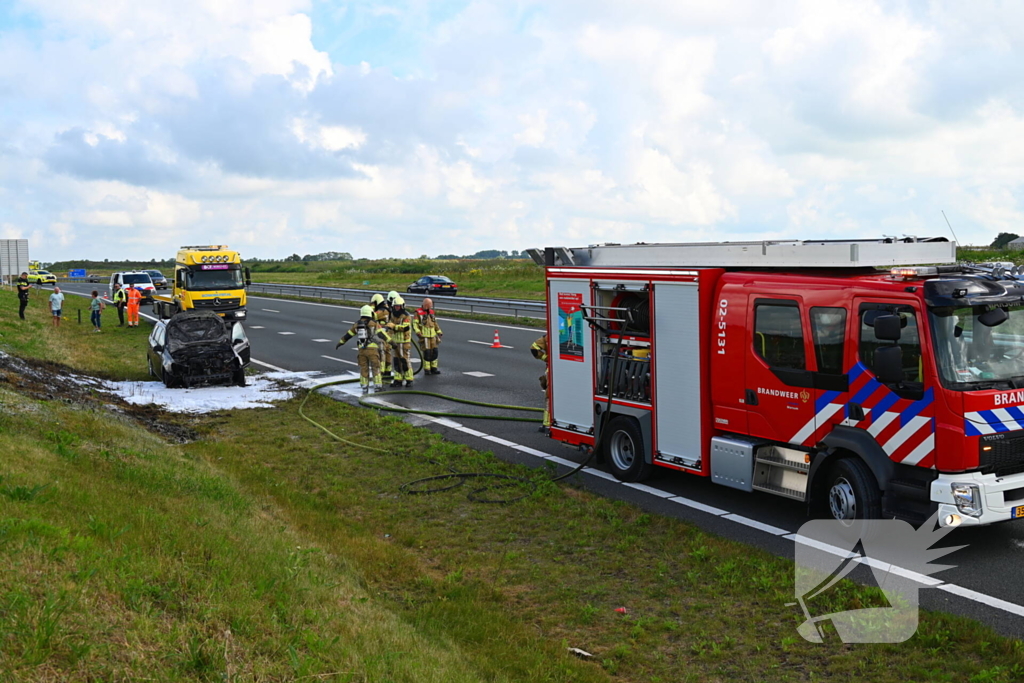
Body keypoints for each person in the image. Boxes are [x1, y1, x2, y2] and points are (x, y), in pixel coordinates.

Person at [337, 305, 391, 393]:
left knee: (363, 368)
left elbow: (348, 335)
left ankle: (364, 387)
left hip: (362, 350)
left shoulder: (357, 324)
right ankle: (377, 386)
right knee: (375, 368)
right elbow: (382, 334)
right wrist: (392, 342)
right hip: (373, 350)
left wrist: (341, 342)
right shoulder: (374, 323)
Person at [388, 295, 414, 387]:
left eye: (398, 306)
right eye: (395, 306)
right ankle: (398, 379)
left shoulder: (406, 315)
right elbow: (390, 327)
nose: (397, 308)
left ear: (402, 306)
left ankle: (409, 379)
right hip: (395, 342)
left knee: (404, 360)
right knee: (396, 361)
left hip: (404, 342)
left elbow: (405, 327)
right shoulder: (392, 315)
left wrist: (394, 326)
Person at [413, 297, 443, 375]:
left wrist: (439, 332)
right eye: (430, 305)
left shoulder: (432, 312)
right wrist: (418, 332)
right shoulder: (418, 313)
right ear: (426, 305)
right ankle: (427, 369)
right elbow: (415, 324)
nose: (431, 306)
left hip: (433, 336)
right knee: (427, 353)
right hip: (424, 337)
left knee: (434, 352)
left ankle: (434, 368)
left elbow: (435, 323)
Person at [371, 293, 393, 383]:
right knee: (387, 352)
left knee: (382, 352)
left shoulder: (381, 311)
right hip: (388, 334)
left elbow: (371, 315)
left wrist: (371, 306)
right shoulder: (387, 308)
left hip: (382, 334)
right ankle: (388, 371)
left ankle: (382, 372)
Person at [531, 334, 550, 432]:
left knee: (550, 397)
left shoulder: (548, 336)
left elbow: (534, 349)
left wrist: (547, 358)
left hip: (553, 371)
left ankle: (547, 424)